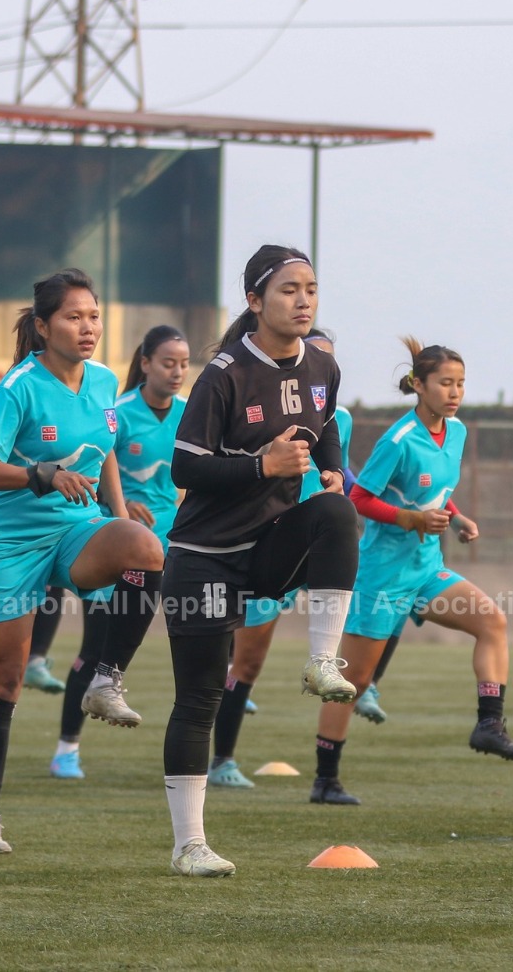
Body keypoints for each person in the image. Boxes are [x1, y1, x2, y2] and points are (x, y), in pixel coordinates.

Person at [159, 245, 359, 876]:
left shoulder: (323, 364)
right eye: (288, 290)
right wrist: (260, 466)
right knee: (199, 699)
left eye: (312, 289)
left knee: (336, 513)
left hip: (267, 549)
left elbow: (322, 426)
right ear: (254, 301)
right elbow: (183, 467)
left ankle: (323, 662)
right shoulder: (222, 376)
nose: (303, 301)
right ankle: (189, 844)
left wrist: (329, 468)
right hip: (203, 560)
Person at [0, 268, 165, 854]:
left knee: (145, 550)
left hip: (76, 531)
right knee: (4, 678)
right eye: (74, 317)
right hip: (9, 543)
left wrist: (119, 516)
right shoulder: (18, 385)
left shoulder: (103, 383)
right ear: (44, 326)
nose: (87, 327)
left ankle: (105, 679)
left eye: (94, 316)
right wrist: (38, 475)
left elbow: (104, 459)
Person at [311, 337, 513, 811]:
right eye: (445, 383)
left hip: (427, 569)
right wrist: (410, 520)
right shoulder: (397, 439)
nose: (455, 392)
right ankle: (325, 778)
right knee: (354, 682)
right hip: (382, 576)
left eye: (461, 384)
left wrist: (459, 515)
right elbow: (360, 499)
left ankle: (489, 724)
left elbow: (437, 491)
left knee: (492, 621)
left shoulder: (457, 432)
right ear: (418, 385)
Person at [208, 329, 357, 790]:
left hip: (317, 539)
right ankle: (222, 759)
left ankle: (340, 680)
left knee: (354, 621)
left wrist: (336, 478)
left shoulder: (337, 417)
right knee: (246, 663)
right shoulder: (262, 398)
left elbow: (341, 467)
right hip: (271, 537)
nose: (319, 374)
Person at [49, 324, 189, 782]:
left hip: (176, 548)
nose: (177, 372)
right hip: (114, 543)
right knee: (95, 648)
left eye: (184, 364)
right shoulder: (120, 411)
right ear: (145, 363)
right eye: (168, 362)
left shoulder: (189, 414)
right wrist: (122, 503)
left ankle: (197, 758)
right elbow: (94, 463)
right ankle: (66, 748)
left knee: (196, 648)